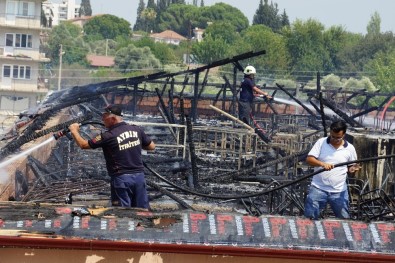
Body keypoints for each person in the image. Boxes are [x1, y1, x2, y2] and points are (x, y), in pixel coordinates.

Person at [69, 104, 155, 209]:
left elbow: (83, 144)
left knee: (122, 214)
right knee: (142, 211)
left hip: (122, 179)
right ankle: (142, 225)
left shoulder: (108, 135)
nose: (102, 119)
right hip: (139, 177)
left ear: (113, 118)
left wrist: (74, 131)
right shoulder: (137, 129)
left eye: (104, 116)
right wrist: (132, 144)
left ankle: (126, 225)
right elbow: (151, 146)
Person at [304, 120, 359, 220]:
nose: (335, 139)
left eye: (338, 138)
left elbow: (352, 166)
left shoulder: (350, 148)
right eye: (333, 136)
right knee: (310, 218)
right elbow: (309, 159)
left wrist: (352, 169)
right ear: (330, 132)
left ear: (344, 135)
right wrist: (322, 164)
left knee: (344, 219)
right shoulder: (321, 142)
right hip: (318, 188)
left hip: (339, 191)